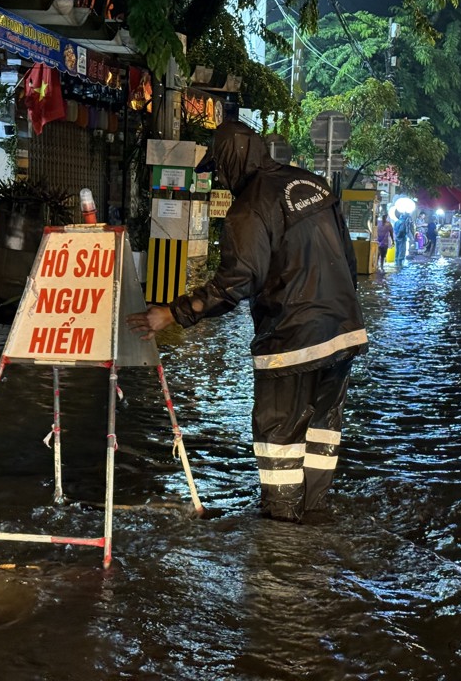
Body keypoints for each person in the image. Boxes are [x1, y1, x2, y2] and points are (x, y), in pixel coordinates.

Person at [126, 121, 369, 522]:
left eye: (219, 168)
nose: (219, 178)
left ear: (232, 160)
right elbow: (346, 257)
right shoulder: (314, 185)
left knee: (278, 438)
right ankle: (315, 517)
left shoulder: (250, 206)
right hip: (344, 332)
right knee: (322, 429)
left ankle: (280, 530)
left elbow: (236, 282)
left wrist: (171, 313)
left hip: (292, 338)